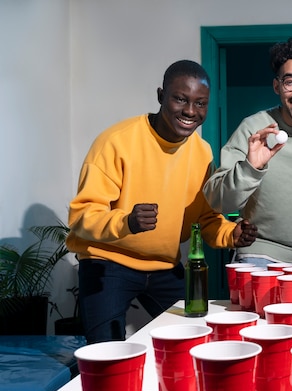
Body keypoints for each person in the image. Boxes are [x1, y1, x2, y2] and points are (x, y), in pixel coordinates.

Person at [66, 60, 258, 344]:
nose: (190, 111)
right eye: (180, 99)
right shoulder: (116, 141)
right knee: (106, 352)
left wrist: (232, 233)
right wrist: (126, 221)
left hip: (163, 266)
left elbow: (205, 218)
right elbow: (82, 216)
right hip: (108, 262)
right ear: (161, 96)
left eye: (200, 103)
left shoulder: (201, 152)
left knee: (197, 338)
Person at [203, 37, 292, 268]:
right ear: (277, 86)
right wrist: (251, 168)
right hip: (257, 252)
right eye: (290, 82)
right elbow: (216, 201)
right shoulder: (254, 128)